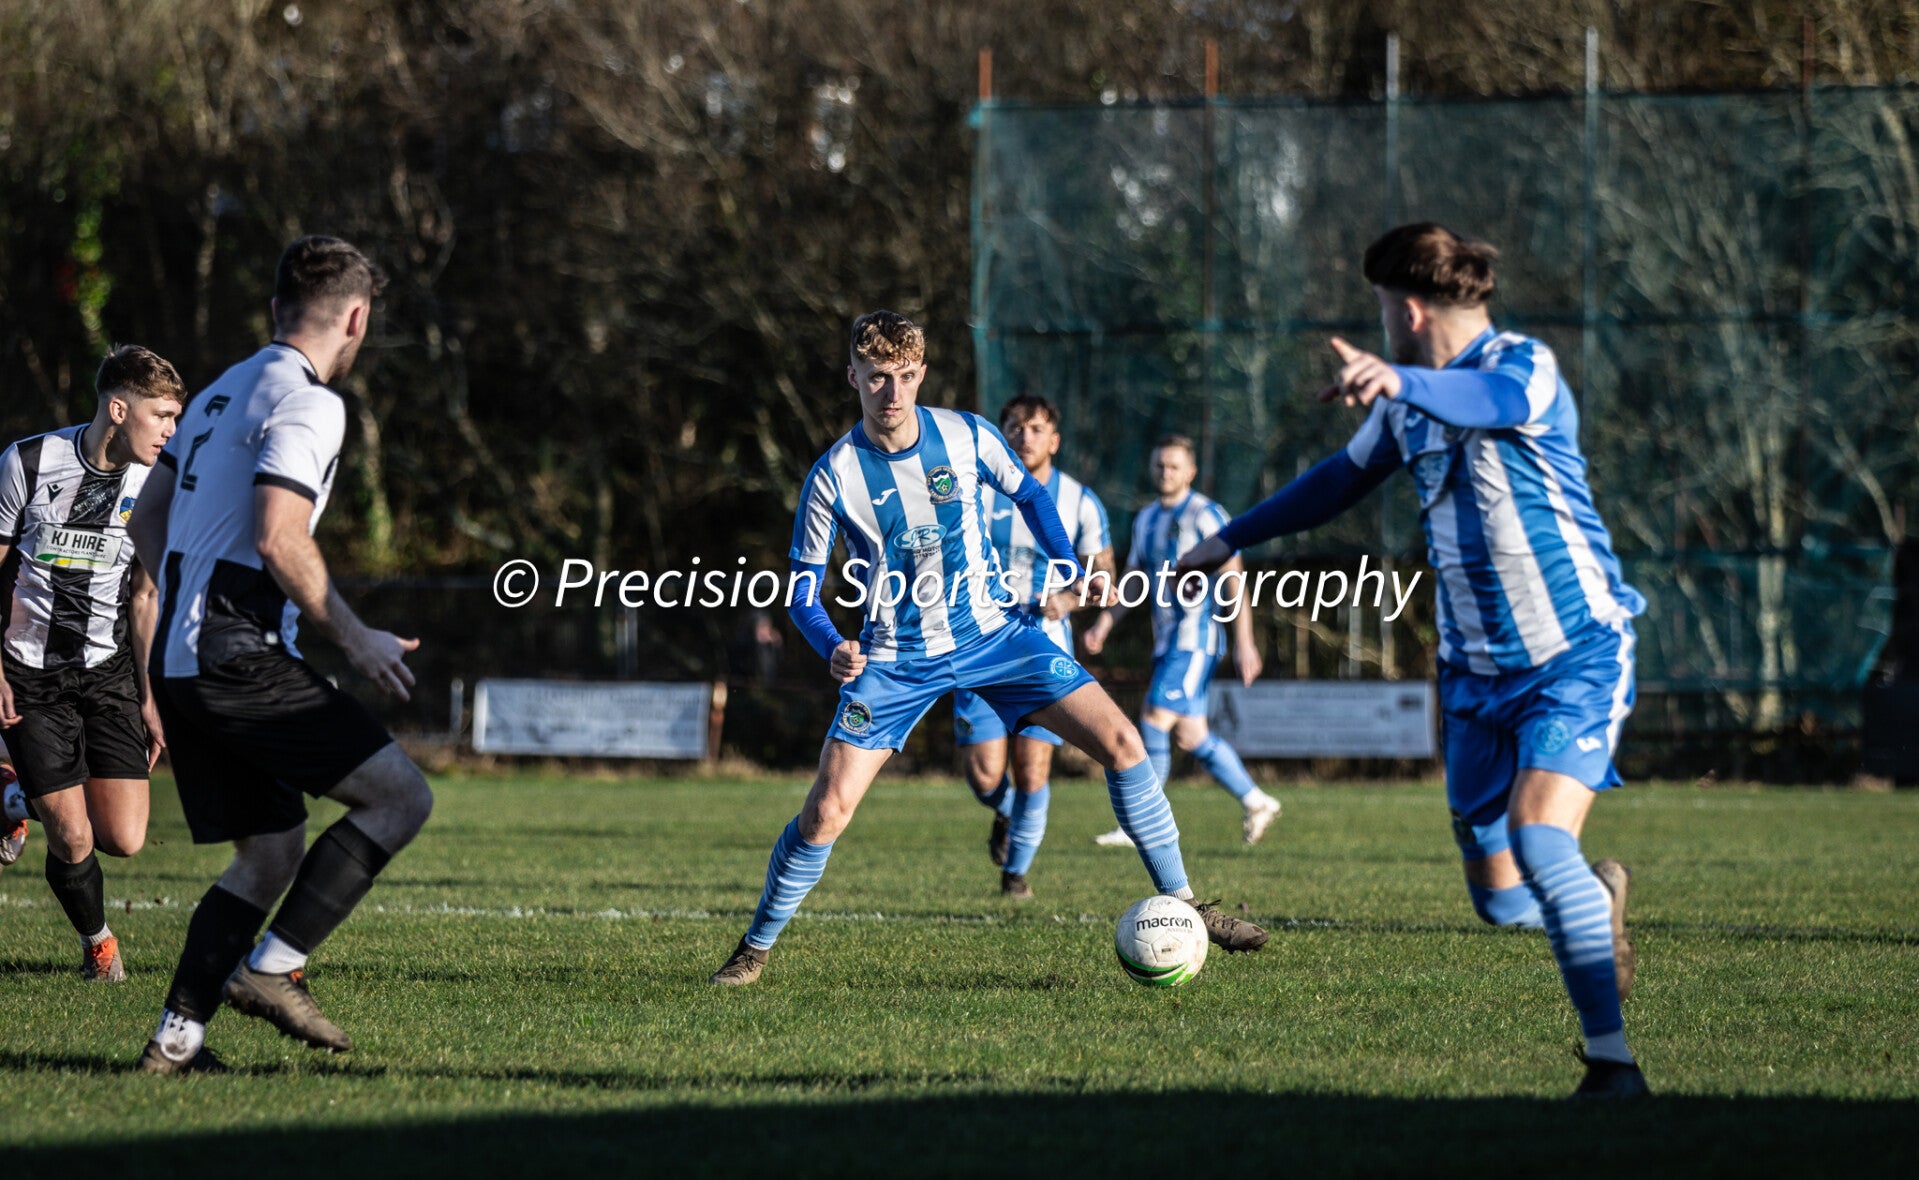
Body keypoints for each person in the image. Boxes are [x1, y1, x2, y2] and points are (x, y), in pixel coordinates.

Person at [1179, 223, 1646, 1099]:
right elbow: (1337, 481)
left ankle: (1612, 1066)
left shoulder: (1523, 366)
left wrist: (1401, 380)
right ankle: (1593, 905)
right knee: (1499, 899)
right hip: (1470, 676)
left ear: (1409, 311)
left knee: (1540, 840)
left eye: (1381, 310)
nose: (1381, 328)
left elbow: (1487, 400)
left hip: (1571, 655)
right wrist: (1229, 537)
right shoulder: (1404, 405)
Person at [708, 311, 1268, 985]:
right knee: (825, 812)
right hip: (894, 660)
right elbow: (800, 593)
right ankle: (754, 949)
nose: (892, 393)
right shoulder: (834, 475)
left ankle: (1186, 904)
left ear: (922, 373)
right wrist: (831, 645)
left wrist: (1066, 562)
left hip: (996, 637)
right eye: (877, 377)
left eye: (905, 376)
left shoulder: (967, 434)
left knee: (1124, 744)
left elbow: (1031, 496)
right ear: (852, 377)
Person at [127, 235, 434, 1075]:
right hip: (235, 654)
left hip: (184, 663)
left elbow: (146, 518)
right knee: (399, 798)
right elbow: (279, 535)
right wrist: (357, 637)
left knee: (269, 852)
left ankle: (175, 1043)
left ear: (275, 310)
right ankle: (272, 968)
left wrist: (183, 602)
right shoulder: (311, 401)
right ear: (357, 319)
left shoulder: (222, 389)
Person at [0, 345, 186, 981]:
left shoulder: (155, 485)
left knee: (125, 838)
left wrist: (150, 694)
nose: (171, 430)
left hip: (107, 671)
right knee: (74, 835)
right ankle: (99, 946)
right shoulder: (27, 462)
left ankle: (12, 797)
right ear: (119, 409)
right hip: (29, 672)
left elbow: (145, 595)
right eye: (162, 415)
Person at [1081, 436, 1281, 846]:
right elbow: (1134, 583)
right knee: (1192, 736)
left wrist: (1245, 641)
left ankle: (1140, 824)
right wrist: (1104, 624)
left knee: (1154, 717)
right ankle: (1257, 800)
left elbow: (1234, 579)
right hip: (1166, 642)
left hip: (1195, 640)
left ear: (1190, 472)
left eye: (1173, 466)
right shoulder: (1145, 519)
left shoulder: (1206, 515)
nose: (1165, 473)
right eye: (1159, 465)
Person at [952, 393, 1114, 899]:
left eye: (1037, 428)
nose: (1025, 437)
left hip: (1043, 648)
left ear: (1055, 440)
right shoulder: (974, 489)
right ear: (1000, 434)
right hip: (977, 643)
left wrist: (1071, 597)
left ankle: (1015, 875)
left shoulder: (1079, 500)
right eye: (1015, 428)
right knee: (984, 775)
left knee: (1033, 769)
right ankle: (1007, 814)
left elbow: (1104, 575)